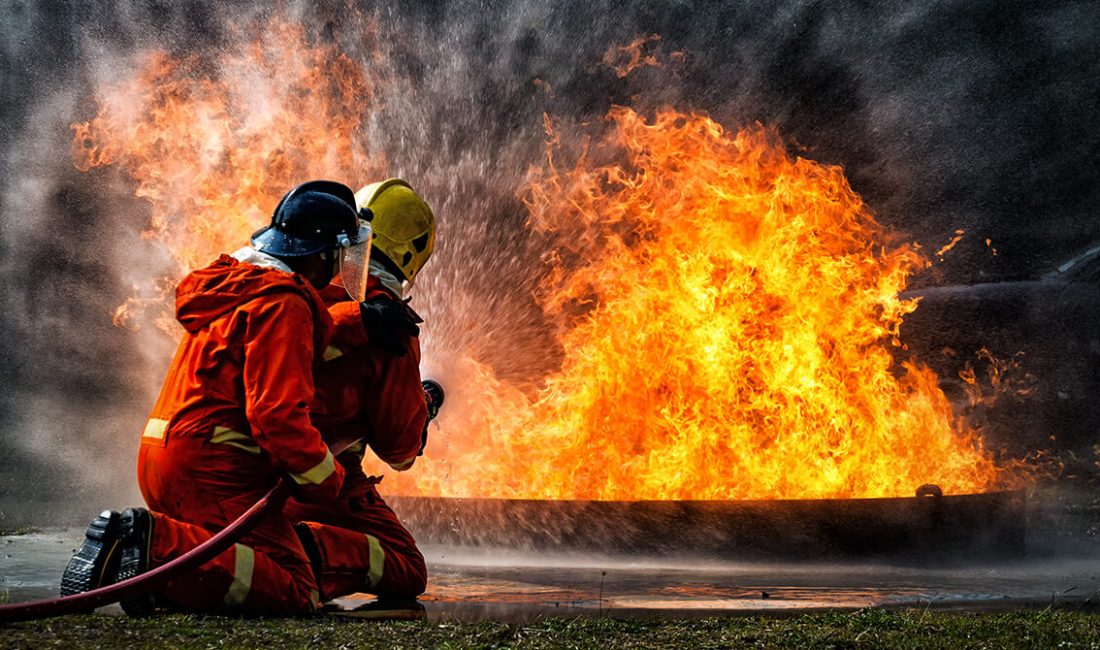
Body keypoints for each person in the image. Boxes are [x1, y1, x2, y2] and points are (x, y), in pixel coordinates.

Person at [61, 180, 371, 616]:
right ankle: (149, 546)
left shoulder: (240, 288)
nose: (342, 267)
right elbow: (276, 416)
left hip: (162, 454)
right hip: (213, 468)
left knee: (222, 560)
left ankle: (156, 579)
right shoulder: (285, 305)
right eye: (339, 255)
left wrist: (358, 320)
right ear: (321, 254)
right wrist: (328, 481)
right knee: (297, 586)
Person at [285, 178, 440, 603]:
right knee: (406, 568)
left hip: (245, 471)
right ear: (413, 255)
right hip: (319, 479)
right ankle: (297, 555)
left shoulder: (299, 283)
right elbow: (400, 450)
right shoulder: (390, 324)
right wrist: (423, 407)